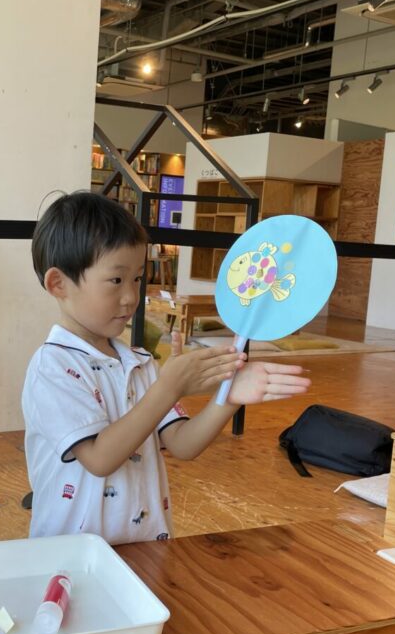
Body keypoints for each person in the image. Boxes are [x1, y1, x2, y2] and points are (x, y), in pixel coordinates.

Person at [22, 192, 310, 545]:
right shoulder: (53, 367)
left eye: (138, 278)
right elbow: (99, 458)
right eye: (116, 280)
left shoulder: (139, 362)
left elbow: (182, 444)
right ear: (59, 284)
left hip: (145, 547)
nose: (131, 297)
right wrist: (169, 387)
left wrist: (228, 398)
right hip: (69, 556)